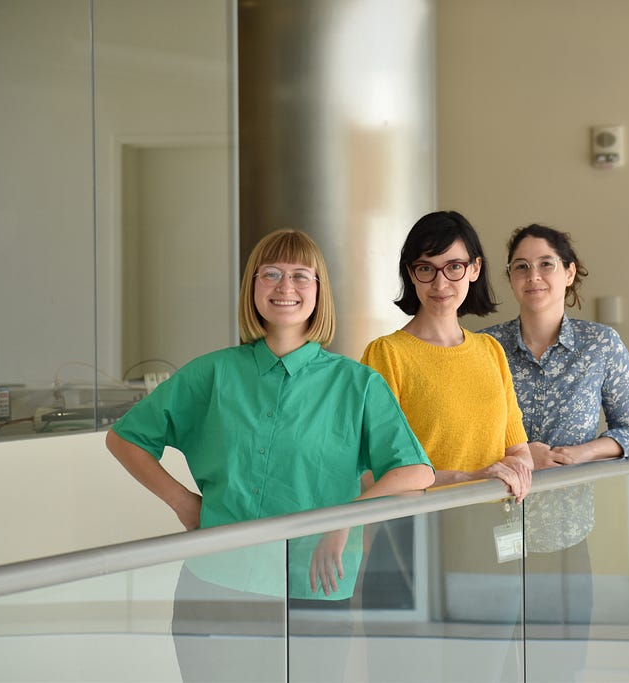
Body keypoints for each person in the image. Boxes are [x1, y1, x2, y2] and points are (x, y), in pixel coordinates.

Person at [106, 228, 434, 682]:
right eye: (272, 274)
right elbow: (124, 439)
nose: (286, 287)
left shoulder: (356, 384)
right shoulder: (212, 373)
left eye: (302, 276)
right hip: (217, 582)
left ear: (319, 291)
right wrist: (184, 503)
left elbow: (415, 471)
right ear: (253, 286)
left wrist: (343, 521)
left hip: (314, 586)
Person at [359, 210, 533, 680]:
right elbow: (377, 471)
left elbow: (514, 444)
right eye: (426, 268)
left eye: (454, 266)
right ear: (410, 274)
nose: (441, 281)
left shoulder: (490, 351)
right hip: (409, 547)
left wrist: (515, 467)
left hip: (487, 548)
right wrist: (473, 478)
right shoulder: (386, 354)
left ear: (474, 269)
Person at [481, 223, 629, 682]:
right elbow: (468, 436)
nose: (533, 276)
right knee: (490, 668)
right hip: (490, 536)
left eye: (546, 264)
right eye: (521, 267)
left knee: (560, 668)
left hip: (567, 536)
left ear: (570, 273)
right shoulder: (484, 348)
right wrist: (520, 455)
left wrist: (581, 454)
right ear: (510, 279)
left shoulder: (601, 346)